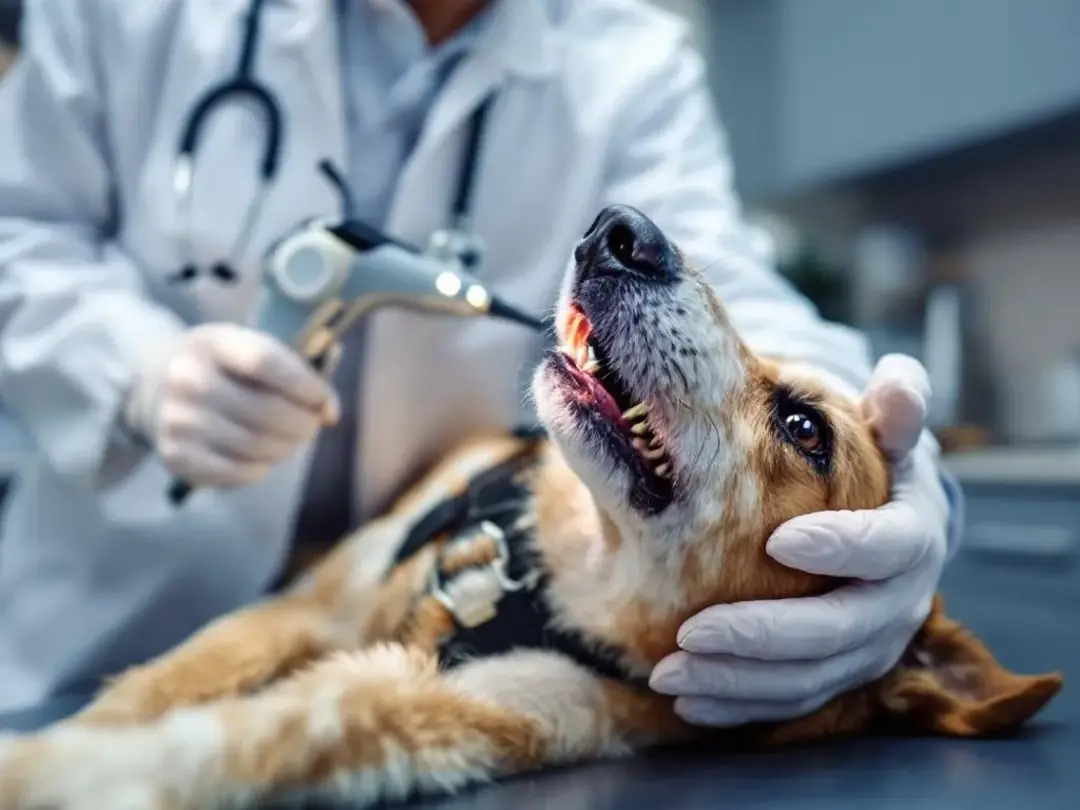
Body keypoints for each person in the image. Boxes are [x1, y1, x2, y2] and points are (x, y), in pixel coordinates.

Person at [0, 0, 962, 720]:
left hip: (418, 655)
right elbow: (17, 229)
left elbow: (730, 296)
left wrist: (886, 466)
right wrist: (134, 369)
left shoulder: (629, 60)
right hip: (105, 631)